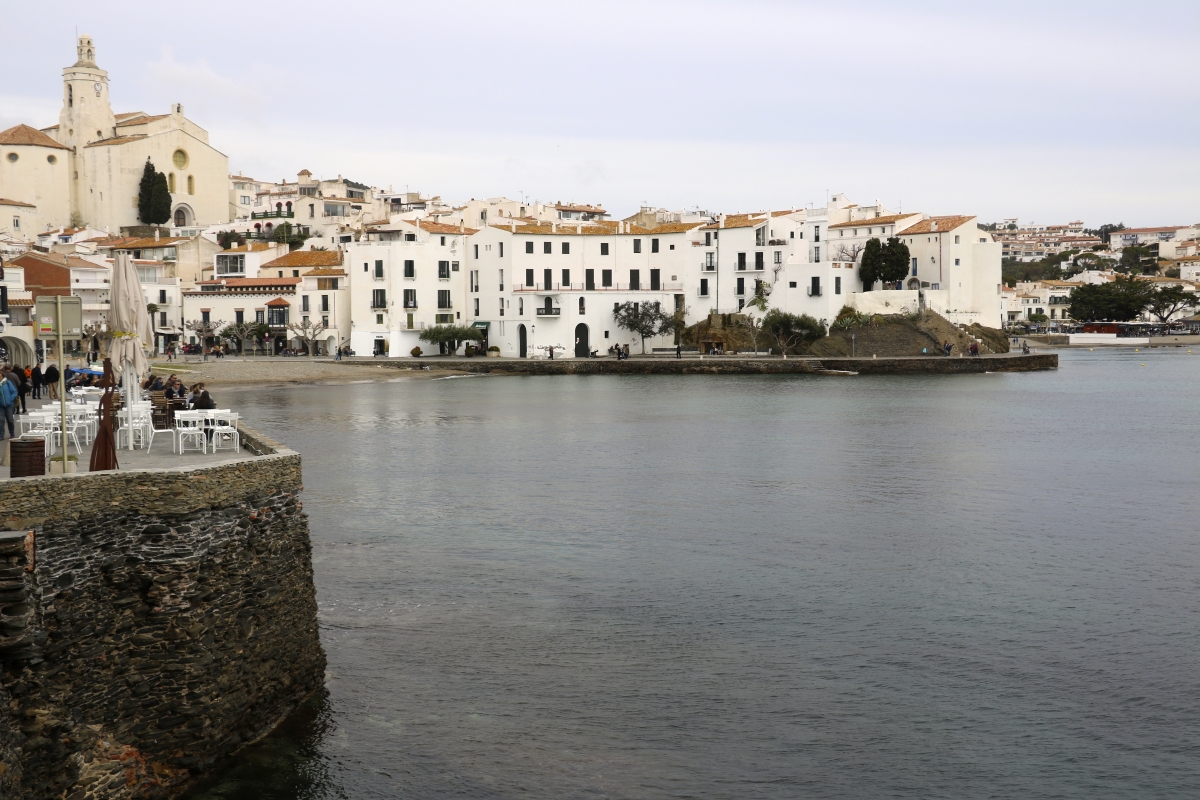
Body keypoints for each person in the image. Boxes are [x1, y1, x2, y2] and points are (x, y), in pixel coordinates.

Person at [0, 368, 18, 440]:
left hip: (9, 404)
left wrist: (11, 399)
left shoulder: (7, 382)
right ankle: (1, 435)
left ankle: (12, 433)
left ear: (2, 376)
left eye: (0, 376)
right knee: (1, 420)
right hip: (0, 405)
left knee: (10, 419)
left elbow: (14, 392)